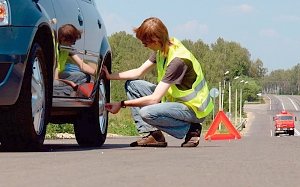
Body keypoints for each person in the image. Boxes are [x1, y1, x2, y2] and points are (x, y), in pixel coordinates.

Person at [103, 17, 214, 147]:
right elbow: (139, 72)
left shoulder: (177, 61)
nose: (145, 46)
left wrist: (121, 104)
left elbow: (154, 99)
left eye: (146, 43)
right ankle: (153, 136)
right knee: (133, 85)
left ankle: (191, 129)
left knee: (147, 113)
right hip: (175, 102)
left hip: (193, 109)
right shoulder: (163, 49)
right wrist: (110, 76)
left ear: (156, 40)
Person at [54, 24, 96, 96]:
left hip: (60, 75)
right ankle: (66, 91)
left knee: (85, 77)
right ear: (63, 39)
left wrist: (98, 73)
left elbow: (82, 65)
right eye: (72, 42)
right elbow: (55, 78)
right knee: (56, 84)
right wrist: (70, 83)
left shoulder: (67, 47)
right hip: (53, 78)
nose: (73, 44)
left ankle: (67, 90)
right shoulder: (54, 49)